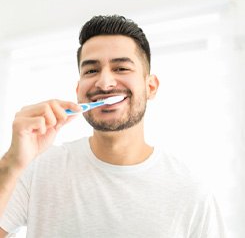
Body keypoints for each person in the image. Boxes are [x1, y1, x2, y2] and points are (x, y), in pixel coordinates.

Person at [0, 15, 226, 238]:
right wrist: (12, 162)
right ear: (79, 90)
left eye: (121, 68)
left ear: (151, 87)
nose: (104, 83)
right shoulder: (38, 169)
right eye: (91, 70)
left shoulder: (191, 191)